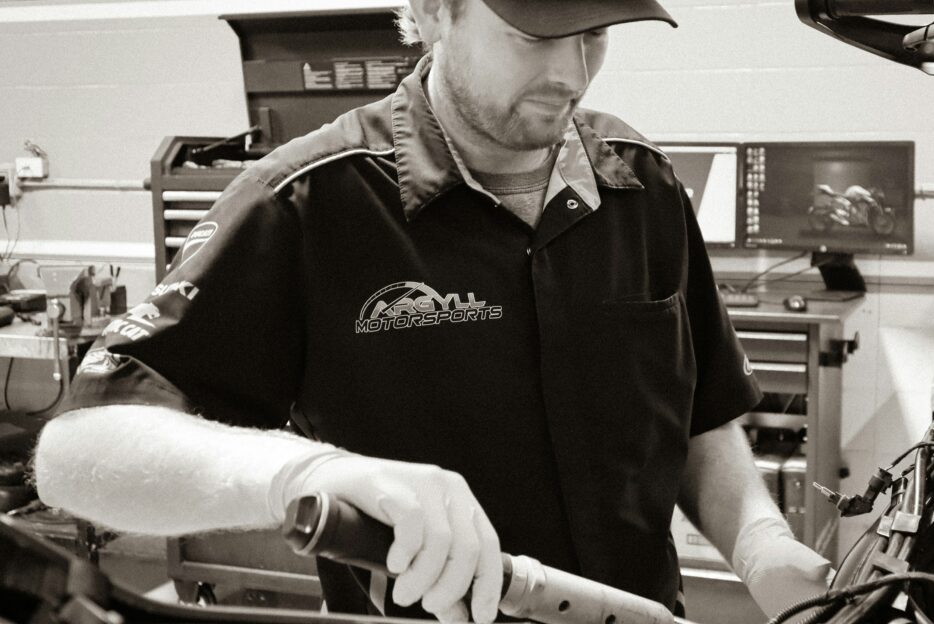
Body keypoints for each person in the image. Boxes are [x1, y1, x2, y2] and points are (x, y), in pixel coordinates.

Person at [32, 0, 832, 622]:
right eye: (536, 33)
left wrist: (759, 545)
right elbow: (77, 453)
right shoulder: (310, 200)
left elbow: (700, 418)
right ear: (434, 11)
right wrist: (313, 473)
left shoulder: (641, 186)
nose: (573, 72)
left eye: (596, 34)